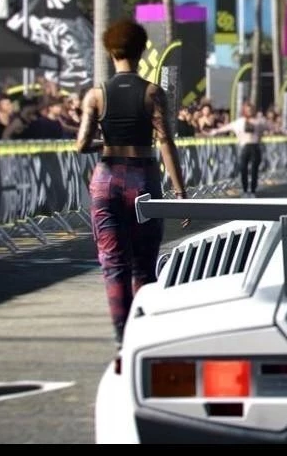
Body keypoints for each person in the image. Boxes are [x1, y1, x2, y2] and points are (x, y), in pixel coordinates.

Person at [75, 19, 189, 348]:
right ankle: (142, 335)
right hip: (143, 178)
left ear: (111, 52)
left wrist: (108, 142)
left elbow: (81, 145)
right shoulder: (153, 93)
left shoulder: (96, 96)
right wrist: (180, 193)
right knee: (143, 264)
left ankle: (121, 338)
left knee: (113, 264)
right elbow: (166, 142)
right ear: (141, 51)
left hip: (106, 179)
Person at [205, 101, 278, 197]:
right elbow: (227, 127)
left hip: (255, 146)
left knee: (254, 170)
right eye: (247, 110)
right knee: (243, 169)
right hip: (244, 147)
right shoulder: (240, 122)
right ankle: (245, 190)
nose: (249, 112)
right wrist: (215, 131)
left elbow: (272, 127)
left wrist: (278, 130)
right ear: (244, 111)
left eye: (251, 110)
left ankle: (253, 190)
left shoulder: (259, 121)